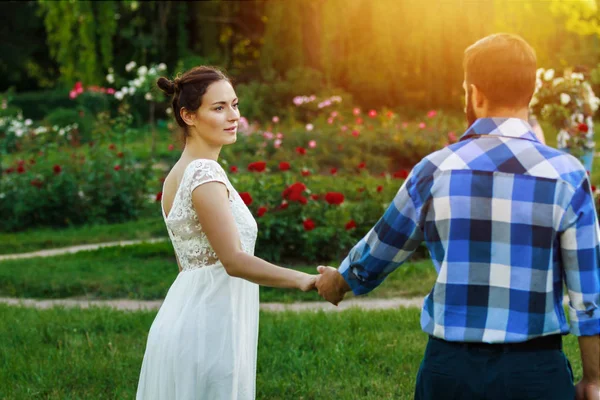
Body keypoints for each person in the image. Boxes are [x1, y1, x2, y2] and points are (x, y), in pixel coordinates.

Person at [316, 33, 600, 400]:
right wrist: (593, 380)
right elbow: (588, 293)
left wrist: (338, 282)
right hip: (535, 372)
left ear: (476, 94)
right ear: (529, 93)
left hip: (450, 369)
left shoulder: (434, 170)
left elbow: (382, 247)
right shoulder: (567, 175)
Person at [136, 66, 317, 400]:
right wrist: (304, 280)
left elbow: (186, 265)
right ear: (188, 116)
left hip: (191, 321)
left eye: (234, 104)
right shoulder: (203, 173)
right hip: (208, 333)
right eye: (219, 108)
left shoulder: (177, 174)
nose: (233, 116)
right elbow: (233, 261)